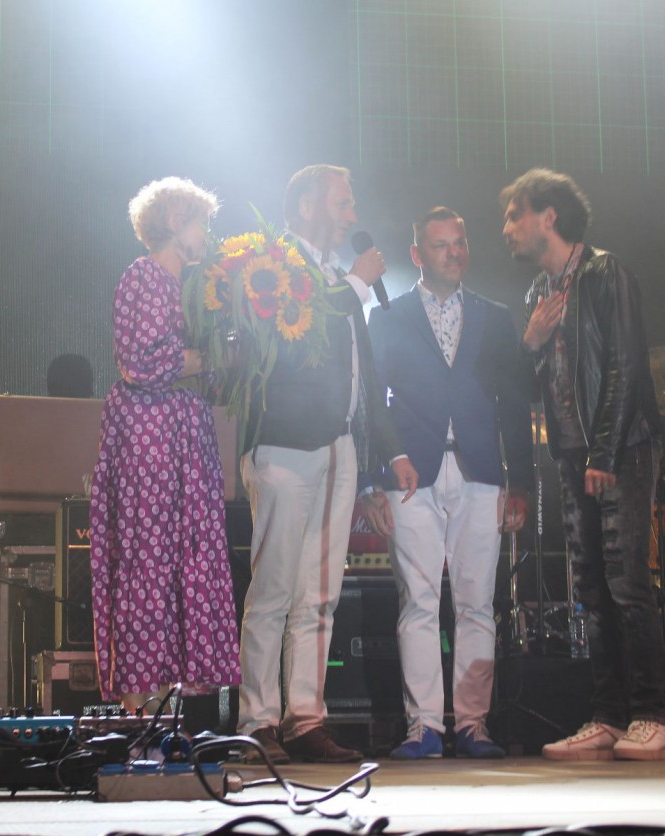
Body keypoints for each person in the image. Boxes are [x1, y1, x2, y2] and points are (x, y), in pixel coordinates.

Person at [237, 164, 418, 764]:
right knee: (273, 589)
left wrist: (387, 450)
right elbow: (293, 338)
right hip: (284, 446)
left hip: (340, 448)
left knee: (320, 594)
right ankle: (257, 722)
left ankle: (305, 719)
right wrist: (359, 284)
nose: (352, 215)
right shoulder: (273, 263)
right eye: (343, 204)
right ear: (307, 207)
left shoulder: (339, 279)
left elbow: (365, 374)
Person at [501, 168, 665, 760]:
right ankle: (608, 716)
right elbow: (524, 391)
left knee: (626, 584)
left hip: (621, 449)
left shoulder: (604, 273)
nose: (508, 229)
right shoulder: (537, 294)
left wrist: (605, 452)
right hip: (573, 455)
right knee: (591, 591)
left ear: (548, 216)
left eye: (515, 215)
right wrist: (528, 341)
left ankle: (650, 716)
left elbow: (625, 365)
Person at [361, 206, 533, 759]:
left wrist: (520, 481)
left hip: (481, 471)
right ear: (417, 254)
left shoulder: (494, 316)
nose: (454, 252)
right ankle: (425, 727)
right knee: (418, 601)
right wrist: (375, 475)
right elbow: (371, 400)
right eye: (441, 245)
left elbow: (514, 405)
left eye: (460, 243)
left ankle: (473, 724)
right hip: (411, 473)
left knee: (478, 602)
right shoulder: (387, 315)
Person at [89, 177, 241, 711]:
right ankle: (139, 716)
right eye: (202, 222)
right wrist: (204, 359)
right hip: (150, 437)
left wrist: (228, 359)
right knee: (147, 562)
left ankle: (167, 717)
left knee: (183, 559)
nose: (207, 235)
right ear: (176, 222)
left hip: (186, 437)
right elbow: (142, 362)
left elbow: (208, 378)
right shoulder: (144, 276)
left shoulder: (196, 289)